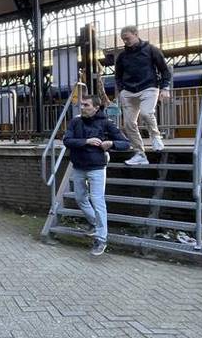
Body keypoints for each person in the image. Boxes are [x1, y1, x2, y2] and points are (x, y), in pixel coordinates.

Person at [63, 95, 131, 256]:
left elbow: (126, 143)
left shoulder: (106, 123)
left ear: (96, 107)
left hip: (97, 168)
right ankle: (95, 223)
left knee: (98, 200)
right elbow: (67, 140)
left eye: (86, 105)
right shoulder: (75, 122)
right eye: (81, 105)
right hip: (78, 166)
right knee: (80, 198)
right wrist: (86, 141)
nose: (82, 107)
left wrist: (111, 144)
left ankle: (101, 238)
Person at [115, 25, 172, 165]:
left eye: (127, 38)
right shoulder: (122, 56)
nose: (125, 42)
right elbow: (118, 75)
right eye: (123, 39)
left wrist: (165, 87)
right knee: (129, 124)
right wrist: (122, 90)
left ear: (135, 34)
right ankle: (140, 153)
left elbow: (164, 70)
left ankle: (155, 136)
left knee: (146, 113)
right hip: (128, 91)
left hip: (149, 87)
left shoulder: (151, 50)